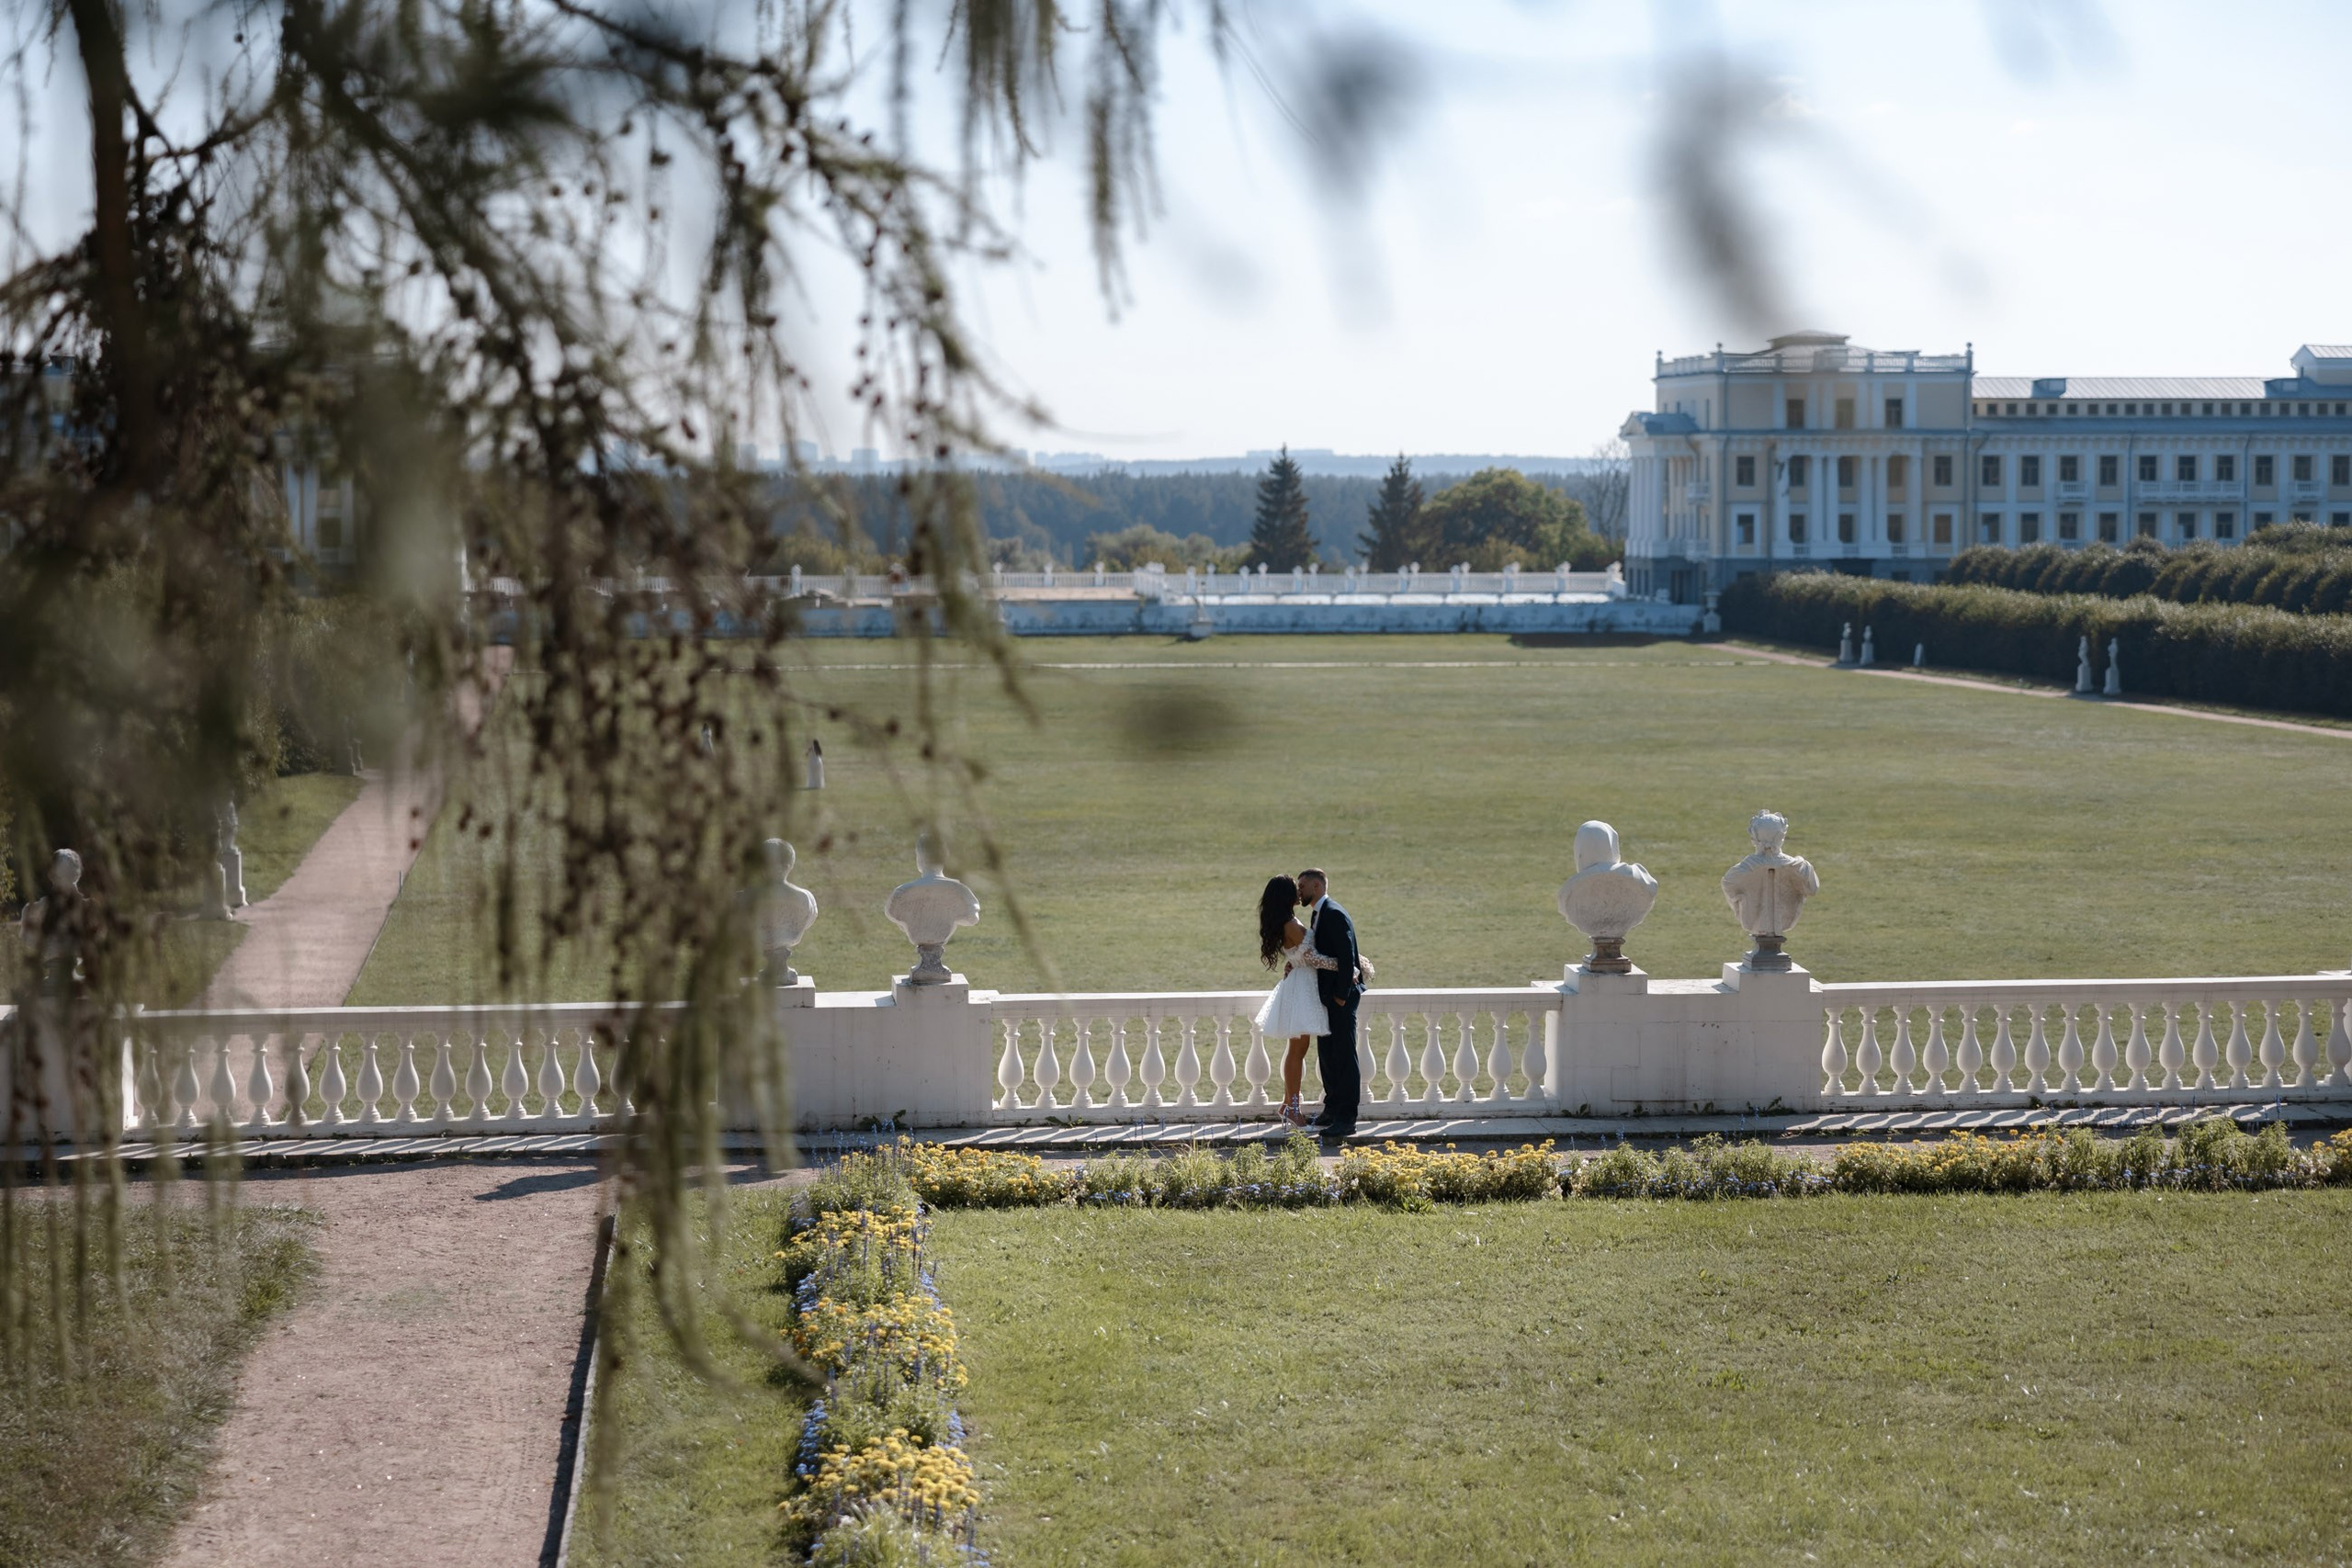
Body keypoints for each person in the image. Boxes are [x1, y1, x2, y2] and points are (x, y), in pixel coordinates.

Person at [1252, 875, 1333, 1127]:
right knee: (1298, 1051)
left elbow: (1298, 955)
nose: (1300, 892)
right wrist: (1349, 965)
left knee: (1297, 1050)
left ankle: (1288, 1104)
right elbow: (1313, 958)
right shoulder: (1291, 924)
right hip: (1302, 987)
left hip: (1300, 983)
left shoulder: (1286, 923)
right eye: (1295, 889)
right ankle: (1293, 1108)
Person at [1297, 868, 1367, 1137]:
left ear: (1317, 886)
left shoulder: (1334, 913)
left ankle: (1346, 1118)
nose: (1299, 891)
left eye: (1302, 886)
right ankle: (1332, 1108)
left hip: (1341, 998)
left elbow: (1347, 956)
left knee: (1344, 1057)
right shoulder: (1319, 913)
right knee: (1328, 1054)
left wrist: (1340, 996)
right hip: (1328, 998)